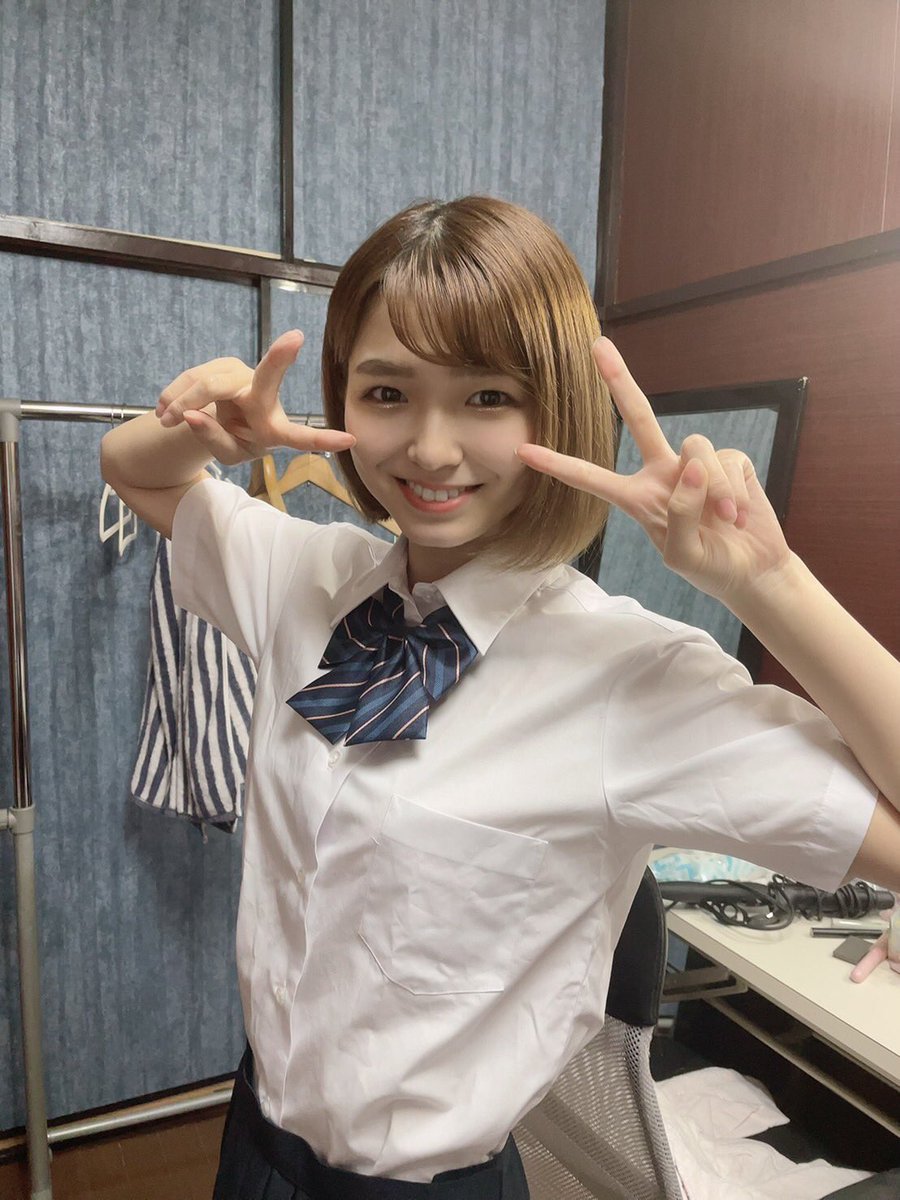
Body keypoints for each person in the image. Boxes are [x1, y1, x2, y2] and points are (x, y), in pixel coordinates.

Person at [100, 195, 900, 1200]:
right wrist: (195, 432)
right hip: (254, 1141)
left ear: (554, 406)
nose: (430, 449)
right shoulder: (306, 576)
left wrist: (767, 584)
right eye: (387, 393)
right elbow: (133, 473)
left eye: (486, 397)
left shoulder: (625, 675)